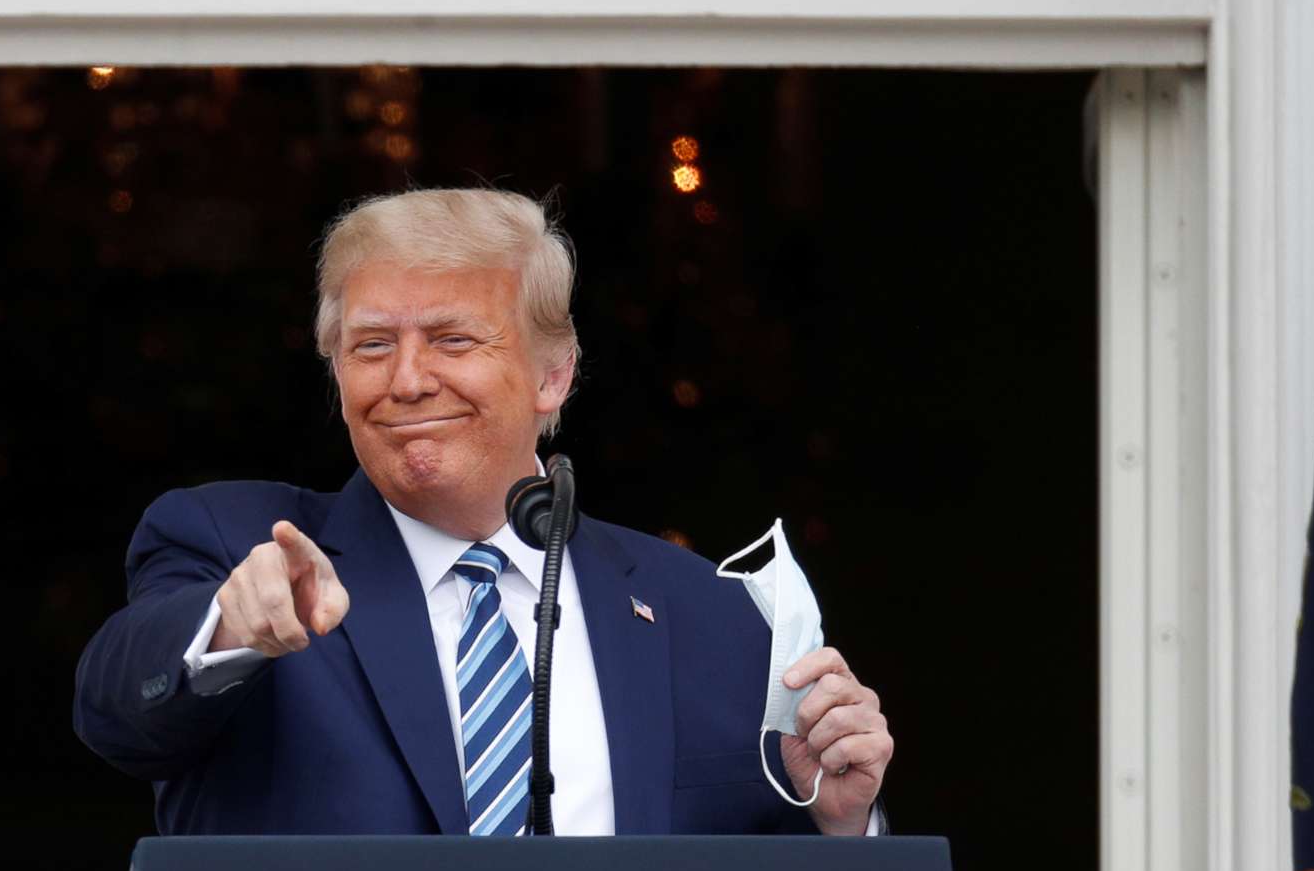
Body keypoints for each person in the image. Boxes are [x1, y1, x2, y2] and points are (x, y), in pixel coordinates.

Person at [73, 188, 894, 838]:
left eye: (453, 340)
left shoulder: (707, 614)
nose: (407, 380)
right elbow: (116, 712)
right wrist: (227, 627)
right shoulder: (235, 547)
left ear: (553, 376)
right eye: (370, 346)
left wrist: (840, 818)